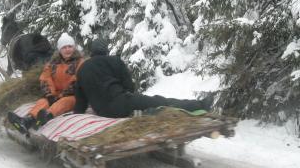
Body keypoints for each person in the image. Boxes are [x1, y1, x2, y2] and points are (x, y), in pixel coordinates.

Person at [74, 38, 212, 118]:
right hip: (121, 103)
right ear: (106, 49)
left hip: (102, 112)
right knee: (160, 101)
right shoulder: (114, 61)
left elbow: (80, 102)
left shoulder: (82, 69)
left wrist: (77, 116)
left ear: (92, 51)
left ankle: (147, 111)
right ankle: (200, 105)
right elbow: (129, 86)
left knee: (145, 105)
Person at [8, 32, 85, 134]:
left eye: (70, 46)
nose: (67, 49)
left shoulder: (79, 62)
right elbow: (45, 78)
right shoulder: (53, 63)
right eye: (64, 47)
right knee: (43, 102)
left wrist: (61, 95)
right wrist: (50, 94)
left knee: (64, 102)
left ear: (74, 48)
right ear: (60, 49)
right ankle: (27, 120)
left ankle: (46, 116)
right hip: (55, 94)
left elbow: (76, 80)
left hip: (72, 95)